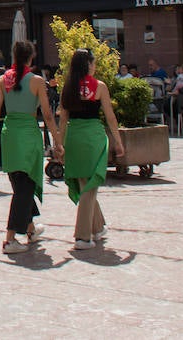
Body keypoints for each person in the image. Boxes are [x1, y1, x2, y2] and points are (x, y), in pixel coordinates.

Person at [0, 40, 61, 254]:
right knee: (25, 187)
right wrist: (57, 141)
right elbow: (47, 114)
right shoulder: (36, 81)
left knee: (19, 182)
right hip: (27, 134)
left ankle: (31, 229)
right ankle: (10, 239)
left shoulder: (2, 80)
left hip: (9, 133)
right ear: (31, 57)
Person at [57, 49, 125, 251]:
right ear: (88, 64)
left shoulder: (67, 87)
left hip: (73, 137)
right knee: (91, 185)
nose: (94, 66)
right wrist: (118, 141)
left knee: (85, 181)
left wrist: (59, 144)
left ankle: (98, 227)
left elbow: (63, 119)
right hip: (93, 136)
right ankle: (82, 236)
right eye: (93, 63)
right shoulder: (100, 86)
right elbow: (110, 117)